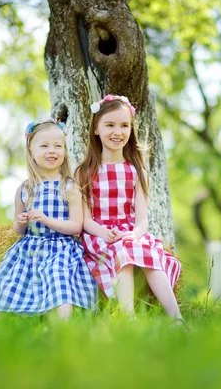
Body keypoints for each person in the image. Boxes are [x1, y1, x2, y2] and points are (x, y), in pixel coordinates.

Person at [76, 94, 183, 322]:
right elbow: (85, 220)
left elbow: (142, 220)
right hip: (100, 234)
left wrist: (134, 234)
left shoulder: (136, 171)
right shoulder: (85, 172)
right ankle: (128, 317)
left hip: (129, 232)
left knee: (146, 255)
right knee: (123, 252)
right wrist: (105, 233)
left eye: (124, 125)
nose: (118, 131)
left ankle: (177, 318)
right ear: (96, 129)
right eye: (110, 125)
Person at [0, 118, 97, 326]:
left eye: (58, 146)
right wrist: (21, 222)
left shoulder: (69, 187)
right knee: (10, 284)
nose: (51, 151)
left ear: (64, 151)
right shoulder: (24, 188)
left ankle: (63, 327)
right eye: (44, 146)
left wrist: (47, 220)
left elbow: (75, 226)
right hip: (29, 250)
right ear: (31, 151)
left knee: (60, 283)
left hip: (60, 250)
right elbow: (17, 230)